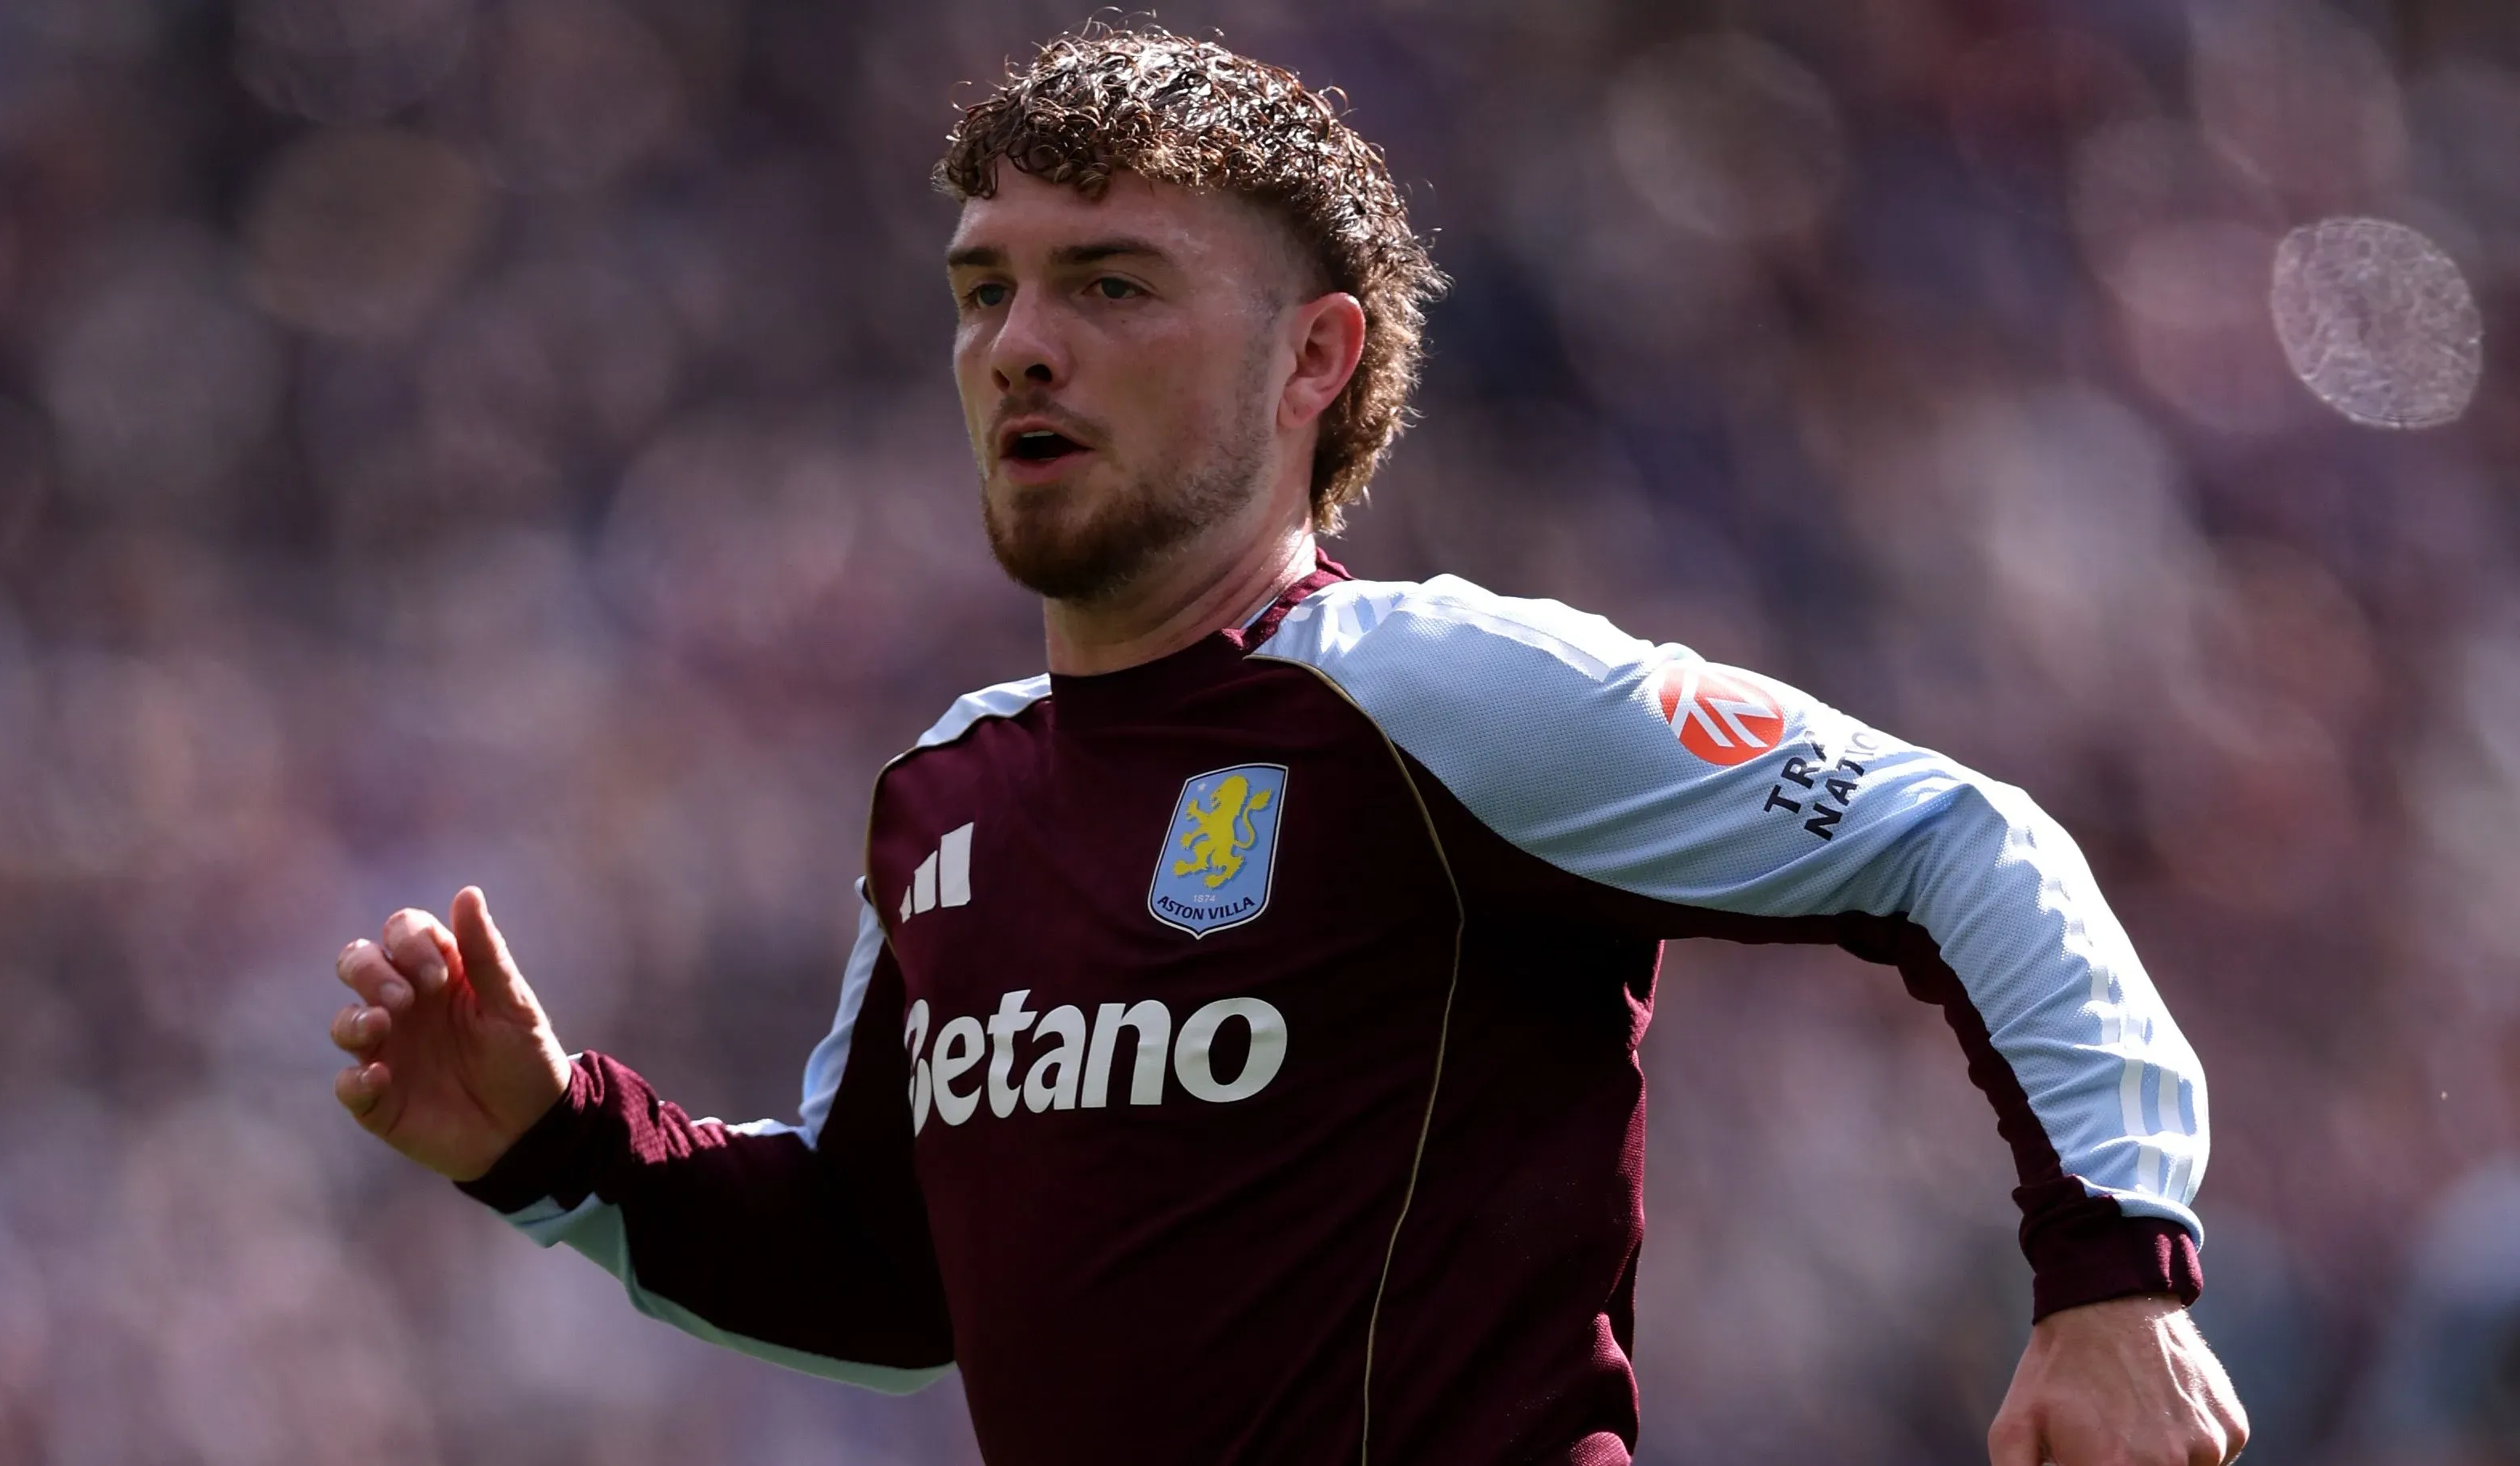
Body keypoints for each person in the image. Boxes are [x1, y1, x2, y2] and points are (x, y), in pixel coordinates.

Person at [326, 26, 2247, 1465]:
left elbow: (1962, 840)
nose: (1017, 345)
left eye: (1111, 284)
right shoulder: (948, 800)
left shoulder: (1439, 697)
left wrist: (2113, 1278)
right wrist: (553, 1139)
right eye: (986, 289)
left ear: (1313, 360)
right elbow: (892, 1270)